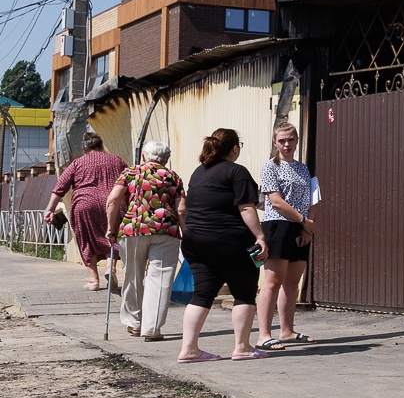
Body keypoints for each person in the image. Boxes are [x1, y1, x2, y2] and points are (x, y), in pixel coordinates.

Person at [177, 128, 270, 363]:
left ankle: (189, 349)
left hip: (195, 241)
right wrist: (260, 237)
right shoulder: (237, 172)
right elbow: (247, 208)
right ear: (235, 148)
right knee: (244, 292)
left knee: (202, 293)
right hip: (230, 242)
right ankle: (242, 347)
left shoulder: (199, 172)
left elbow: (183, 209)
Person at [105, 140, 184, 341]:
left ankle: (134, 322)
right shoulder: (172, 176)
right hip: (166, 230)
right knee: (160, 278)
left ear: (143, 157)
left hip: (133, 229)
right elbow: (181, 208)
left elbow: (113, 199)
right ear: (166, 159)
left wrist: (110, 228)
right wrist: (187, 232)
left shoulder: (130, 173)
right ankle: (152, 328)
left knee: (132, 275)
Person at [255, 119, 316, 349]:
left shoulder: (303, 168)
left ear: (297, 140)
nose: (287, 144)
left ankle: (287, 331)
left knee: (292, 282)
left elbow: (312, 198)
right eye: (282, 140)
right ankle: (263, 334)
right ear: (275, 142)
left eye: (291, 140)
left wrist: (306, 225)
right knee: (272, 281)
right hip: (278, 225)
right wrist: (303, 220)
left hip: (300, 227)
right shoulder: (270, 167)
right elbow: (276, 201)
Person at [45, 130, 128, 290]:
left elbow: (60, 188)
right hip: (112, 203)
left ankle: (94, 281)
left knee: (86, 241)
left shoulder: (78, 163)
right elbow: (130, 179)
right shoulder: (117, 160)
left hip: (85, 204)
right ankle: (110, 268)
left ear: (84, 149)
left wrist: (50, 210)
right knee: (112, 237)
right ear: (101, 146)